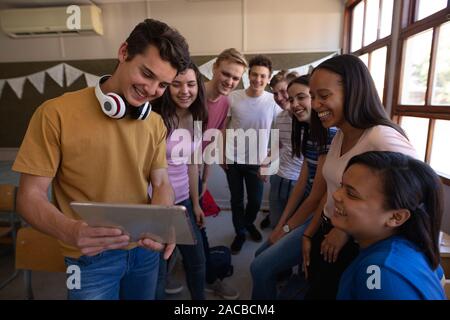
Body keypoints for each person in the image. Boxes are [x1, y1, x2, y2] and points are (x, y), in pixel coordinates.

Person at [12, 19, 190, 300]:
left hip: (143, 255)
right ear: (123, 52)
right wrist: (71, 231)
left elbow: (161, 183)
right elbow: (28, 197)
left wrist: (160, 220)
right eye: (146, 74)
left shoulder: (155, 124)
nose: (151, 90)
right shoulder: (54, 113)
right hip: (87, 258)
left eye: (162, 85)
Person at [301, 54, 418, 300]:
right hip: (330, 226)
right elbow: (331, 191)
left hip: (355, 239)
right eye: (313, 97)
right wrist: (311, 232)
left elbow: (416, 192)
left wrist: (345, 231)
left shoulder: (381, 137)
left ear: (353, 92)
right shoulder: (339, 134)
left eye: (324, 96)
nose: (315, 105)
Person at [251, 75, 337, 300]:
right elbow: (303, 182)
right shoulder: (308, 132)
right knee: (261, 254)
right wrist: (281, 225)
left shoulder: (330, 133)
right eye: (292, 99)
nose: (294, 104)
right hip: (302, 201)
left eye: (302, 97)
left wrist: (286, 229)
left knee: (259, 266)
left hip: (322, 216)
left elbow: (316, 196)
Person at [333, 151, 446, 300]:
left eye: (352, 194)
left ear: (395, 217)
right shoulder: (417, 246)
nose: (336, 195)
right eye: (342, 185)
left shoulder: (379, 271)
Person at [151, 63, 208, 300]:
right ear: (166, 86)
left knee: (197, 261)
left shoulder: (197, 117)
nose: (185, 90)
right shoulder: (154, 118)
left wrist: (195, 204)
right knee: (160, 266)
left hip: (184, 198)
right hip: (156, 202)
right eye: (176, 84)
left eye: (191, 84)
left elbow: (192, 164)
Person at [200, 48, 247, 300]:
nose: (229, 81)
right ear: (215, 67)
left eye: (236, 78)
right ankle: (206, 277)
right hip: (170, 170)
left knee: (197, 225)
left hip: (195, 172)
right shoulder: (191, 93)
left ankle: (208, 276)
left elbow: (209, 142)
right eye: (226, 74)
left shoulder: (227, 103)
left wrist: (205, 180)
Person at [223, 55, 281, 254]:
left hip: (258, 162)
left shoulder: (273, 101)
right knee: (236, 200)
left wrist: (269, 162)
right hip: (233, 159)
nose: (258, 79)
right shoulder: (233, 97)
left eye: (263, 76)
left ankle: (248, 224)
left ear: (269, 78)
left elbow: (277, 134)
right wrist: (221, 153)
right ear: (248, 75)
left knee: (255, 201)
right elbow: (223, 126)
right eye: (254, 74)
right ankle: (240, 233)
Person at [259, 70, 301, 230]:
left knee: (292, 226)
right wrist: (265, 164)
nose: (279, 98)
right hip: (279, 177)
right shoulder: (280, 117)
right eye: (275, 94)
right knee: (277, 222)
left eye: (283, 92)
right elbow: (278, 144)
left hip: (299, 181)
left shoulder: (309, 120)